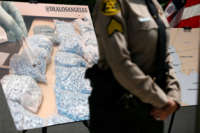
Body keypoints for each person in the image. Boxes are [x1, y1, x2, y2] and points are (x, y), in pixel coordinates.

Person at [85, 0, 181, 133]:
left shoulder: (153, 4)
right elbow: (119, 62)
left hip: (152, 110)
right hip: (119, 111)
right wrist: (162, 101)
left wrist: (173, 96)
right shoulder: (111, 3)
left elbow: (164, 54)